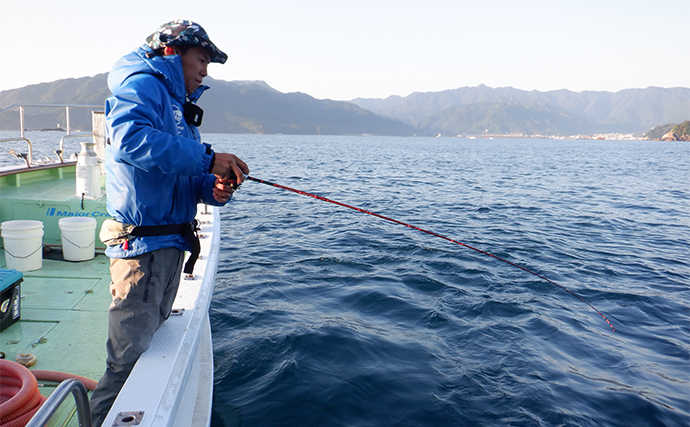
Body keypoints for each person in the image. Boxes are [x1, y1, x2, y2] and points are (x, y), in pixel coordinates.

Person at [89, 20, 249, 427]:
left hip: (168, 249)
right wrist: (206, 159)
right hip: (142, 253)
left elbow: (179, 174)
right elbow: (127, 139)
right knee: (125, 365)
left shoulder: (179, 108)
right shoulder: (144, 86)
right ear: (171, 53)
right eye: (201, 59)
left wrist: (210, 188)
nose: (206, 70)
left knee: (144, 352)